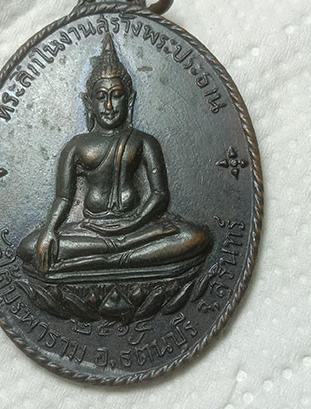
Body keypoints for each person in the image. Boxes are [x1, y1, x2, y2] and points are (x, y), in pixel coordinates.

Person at [17, 33, 210, 274]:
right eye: (101, 97)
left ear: (130, 100)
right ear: (89, 103)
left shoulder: (144, 141)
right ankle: (123, 254)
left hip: (137, 227)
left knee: (196, 236)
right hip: (91, 231)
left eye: (117, 95)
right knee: (29, 247)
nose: (109, 106)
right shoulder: (76, 145)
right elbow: (64, 198)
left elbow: (159, 194)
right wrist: (49, 230)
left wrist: (135, 222)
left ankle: (108, 257)